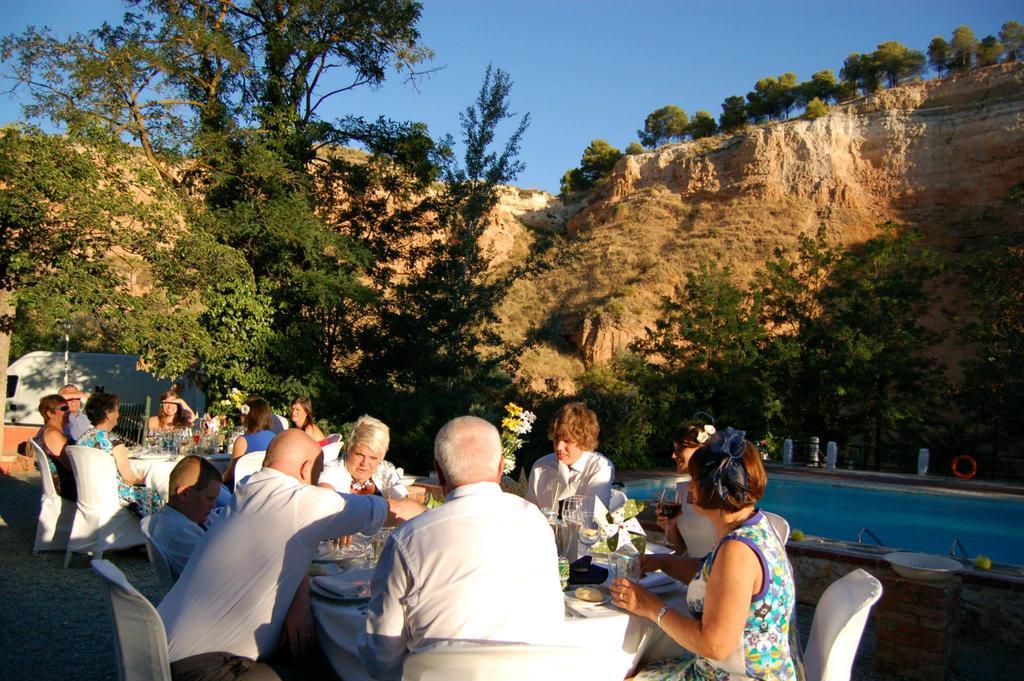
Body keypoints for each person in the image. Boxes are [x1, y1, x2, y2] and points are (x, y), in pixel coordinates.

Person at [159, 430, 423, 681]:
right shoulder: (301, 501)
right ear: (306, 469)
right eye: (317, 472)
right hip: (209, 669)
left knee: (312, 657)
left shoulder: (248, 489)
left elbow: (287, 545)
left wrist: (299, 596)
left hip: (162, 651)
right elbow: (399, 510)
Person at [361, 416, 564, 681]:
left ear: (439, 471)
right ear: (502, 466)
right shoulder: (536, 521)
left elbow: (381, 658)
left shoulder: (407, 540)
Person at [609, 427, 803, 681]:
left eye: (695, 479)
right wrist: (664, 562)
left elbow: (714, 645)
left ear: (713, 487)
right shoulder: (754, 525)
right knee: (640, 666)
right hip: (752, 670)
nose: (690, 486)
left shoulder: (738, 551)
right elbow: (717, 581)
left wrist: (649, 606)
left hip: (738, 676)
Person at [78, 392, 162, 517]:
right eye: (116, 410)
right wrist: (147, 480)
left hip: (88, 495)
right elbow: (129, 479)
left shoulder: (82, 439)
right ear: (107, 414)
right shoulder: (113, 442)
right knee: (154, 494)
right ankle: (151, 532)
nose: (118, 414)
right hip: (112, 496)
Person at [526, 401, 614, 512]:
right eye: (556, 439)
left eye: (567, 441)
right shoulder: (541, 466)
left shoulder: (598, 468)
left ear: (584, 441)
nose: (559, 447)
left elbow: (593, 517)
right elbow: (530, 512)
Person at [146, 456, 223, 577]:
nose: (213, 506)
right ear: (184, 493)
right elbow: (218, 573)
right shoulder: (180, 533)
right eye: (209, 499)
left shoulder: (195, 517)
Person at [658, 423, 717, 559]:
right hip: (691, 573)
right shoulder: (683, 490)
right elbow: (680, 551)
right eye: (674, 449)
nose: (673, 455)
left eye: (680, 449)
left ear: (701, 449)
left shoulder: (718, 494)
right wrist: (671, 527)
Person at [319, 415, 407, 498]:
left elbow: (404, 501)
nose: (364, 463)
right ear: (347, 448)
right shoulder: (330, 472)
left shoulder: (384, 470)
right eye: (359, 454)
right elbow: (326, 499)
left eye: (373, 458)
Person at [222, 396, 276, 487]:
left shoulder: (242, 441)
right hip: (266, 486)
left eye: (242, 414)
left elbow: (231, 474)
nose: (240, 416)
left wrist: (220, 477)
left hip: (242, 489)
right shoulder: (274, 437)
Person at [32, 394, 77, 500]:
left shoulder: (45, 430)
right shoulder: (53, 434)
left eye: (68, 408)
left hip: (59, 485)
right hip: (66, 488)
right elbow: (71, 465)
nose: (68, 411)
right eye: (63, 408)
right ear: (50, 413)